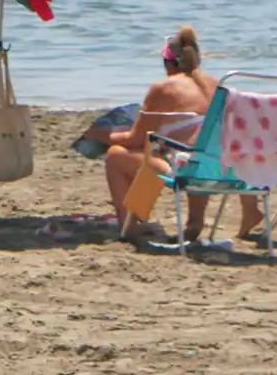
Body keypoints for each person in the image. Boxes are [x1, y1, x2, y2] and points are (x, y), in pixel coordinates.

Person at [86, 24, 230, 238]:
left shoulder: (163, 88)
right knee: (196, 147)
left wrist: (100, 134)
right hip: (219, 167)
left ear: (167, 62)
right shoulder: (215, 85)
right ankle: (194, 222)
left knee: (116, 156)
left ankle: (130, 226)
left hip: (185, 170)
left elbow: (133, 138)